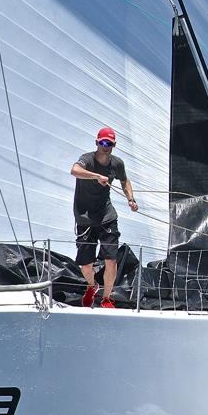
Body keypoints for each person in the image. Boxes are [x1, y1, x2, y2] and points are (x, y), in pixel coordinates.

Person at [70, 126, 138, 309]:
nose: (106, 146)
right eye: (103, 143)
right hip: (84, 218)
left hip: (107, 216)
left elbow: (124, 180)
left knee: (111, 259)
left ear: (114, 145)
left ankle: (107, 298)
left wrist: (130, 199)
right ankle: (92, 286)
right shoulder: (87, 159)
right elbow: (74, 170)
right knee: (85, 265)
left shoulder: (117, 164)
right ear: (97, 143)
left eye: (110, 143)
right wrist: (96, 176)